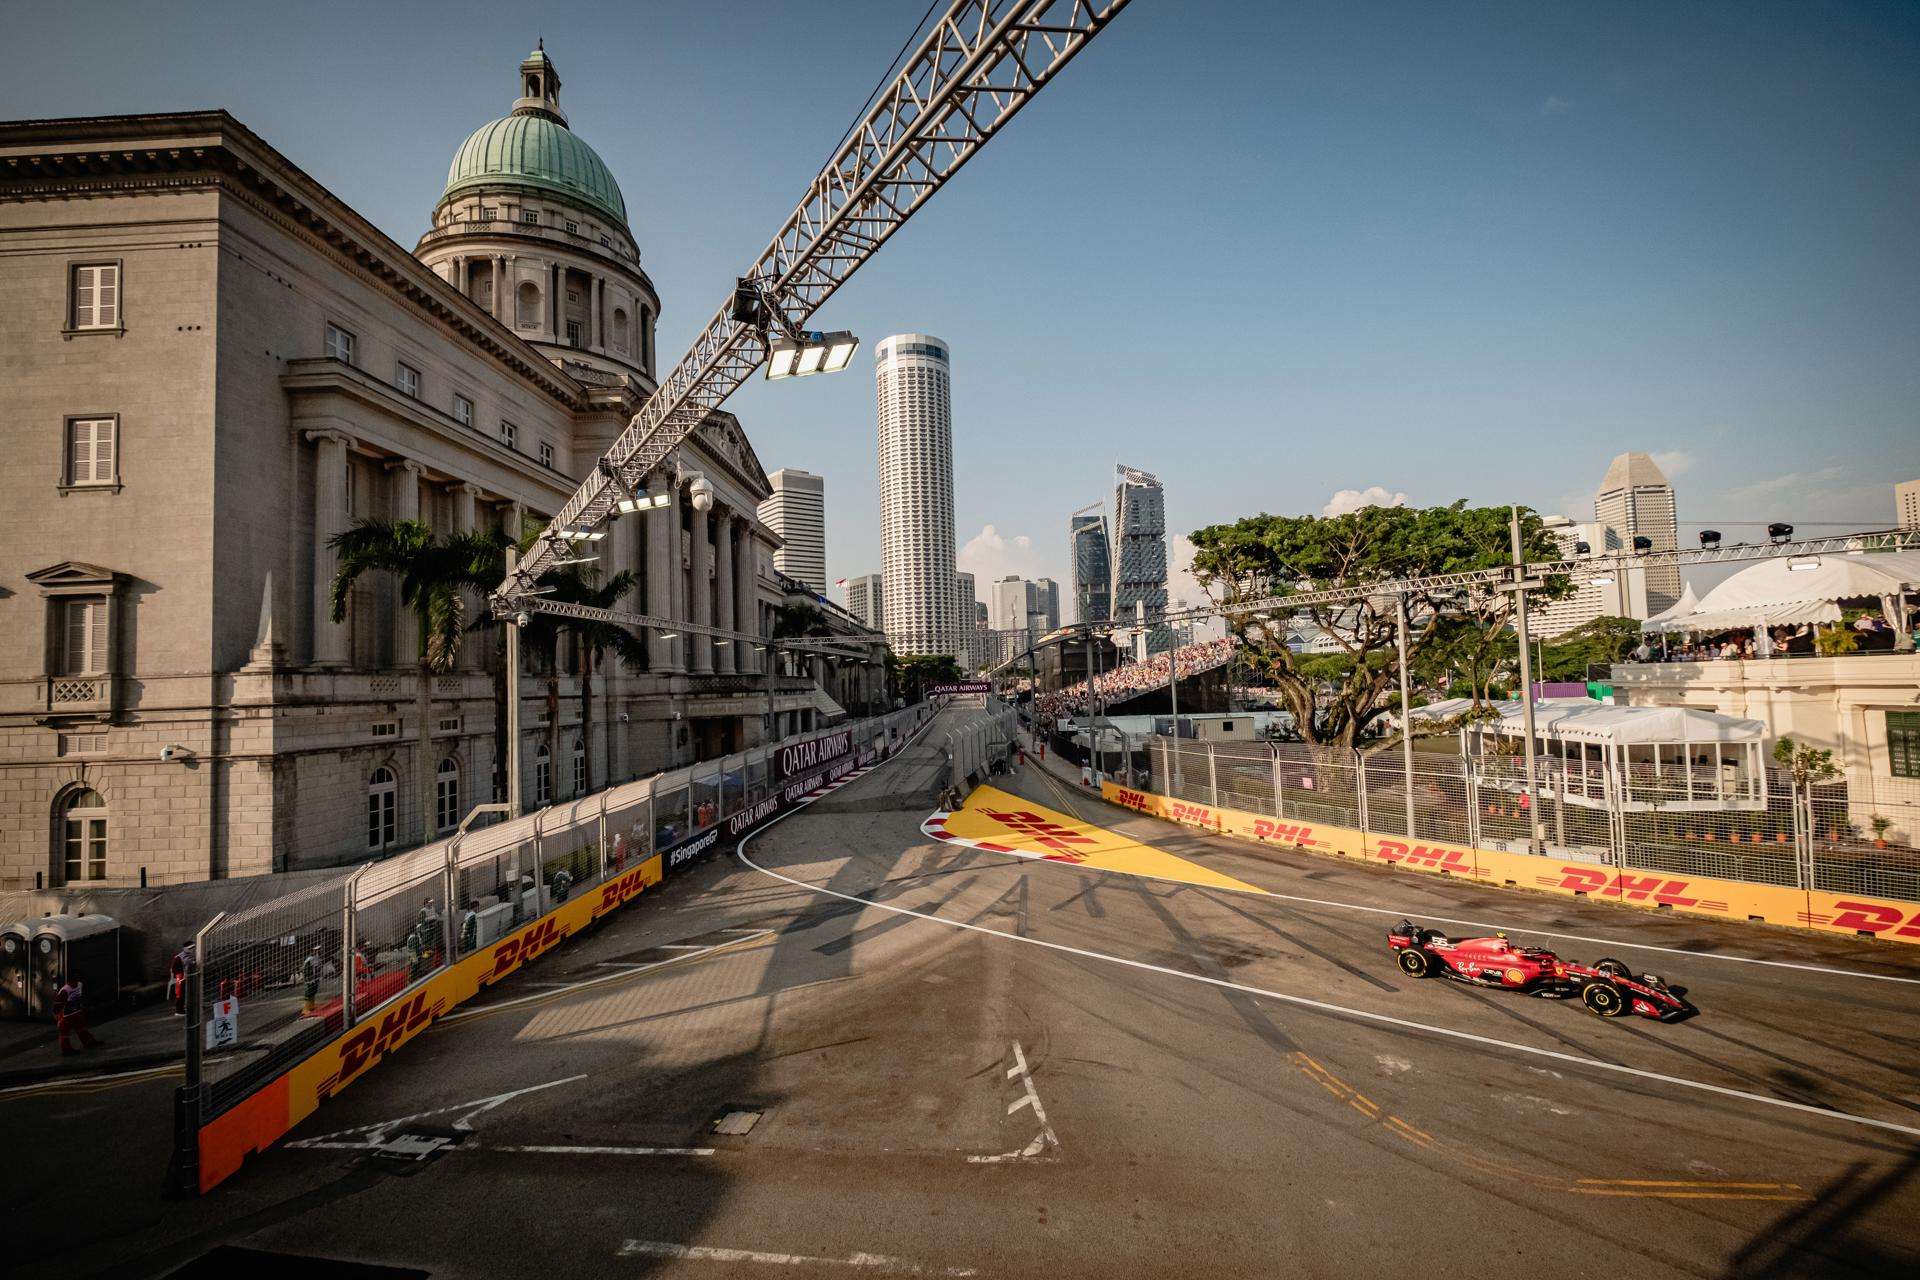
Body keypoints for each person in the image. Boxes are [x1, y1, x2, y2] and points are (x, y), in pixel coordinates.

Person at [55, 976, 100, 1054]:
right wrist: (57, 1015)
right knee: (65, 1032)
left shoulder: (79, 985)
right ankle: (66, 1050)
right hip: (66, 1015)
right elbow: (58, 1004)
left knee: (81, 1027)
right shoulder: (65, 990)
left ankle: (88, 1042)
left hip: (75, 1011)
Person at [300, 944, 323, 1014]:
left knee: (314, 991)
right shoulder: (309, 960)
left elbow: (318, 967)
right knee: (309, 992)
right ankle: (306, 1008)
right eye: (317, 950)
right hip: (311, 979)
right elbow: (305, 970)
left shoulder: (317, 958)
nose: (319, 951)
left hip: (315, 977)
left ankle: (311, 1005)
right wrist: (309, 978)